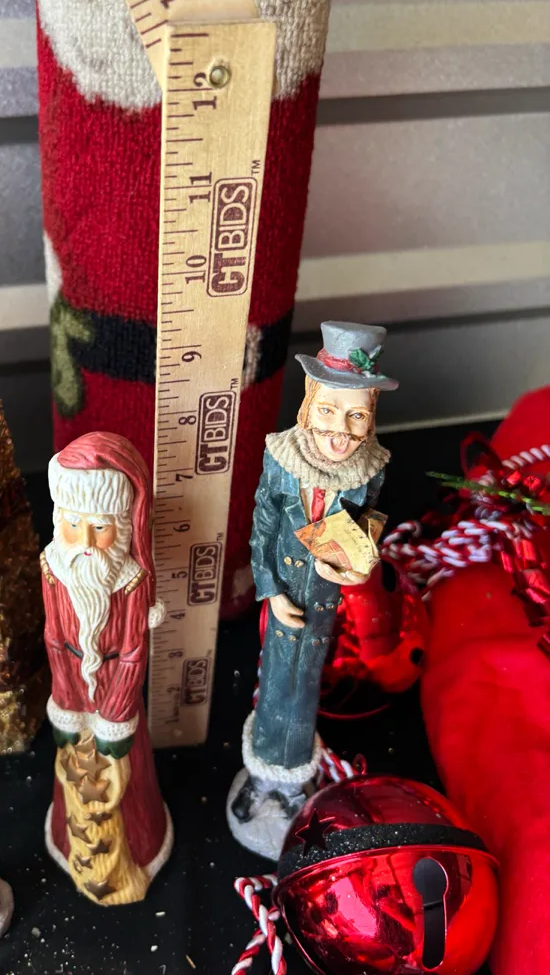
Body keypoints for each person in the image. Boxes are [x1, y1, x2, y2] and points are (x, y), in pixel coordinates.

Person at [228, 321, 399, 857]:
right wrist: (270, 590)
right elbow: (261, 526)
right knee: (275, 682)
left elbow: (364, 527)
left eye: (356, 415)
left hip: (323, 601)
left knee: (305, 687)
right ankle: (263, 774)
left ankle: (293, 779)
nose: (340, 429)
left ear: (372, 414)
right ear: (308, 402)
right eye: (328, 410)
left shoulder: (369, 470)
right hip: (284, 594)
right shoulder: (281, 458)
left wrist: (358, 569)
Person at [41, 431, 172, 904]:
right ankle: (72, 843)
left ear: (121, 524)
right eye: (73, 524)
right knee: (73, 770)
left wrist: (115, 719)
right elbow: (54, 637)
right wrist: (67, 702)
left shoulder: (130, 582)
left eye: (100, 527)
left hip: (119, 695)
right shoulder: (53, 567)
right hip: (71, 688)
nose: (85, 542)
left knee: (124, 773)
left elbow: (133, 652)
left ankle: (134, 850)